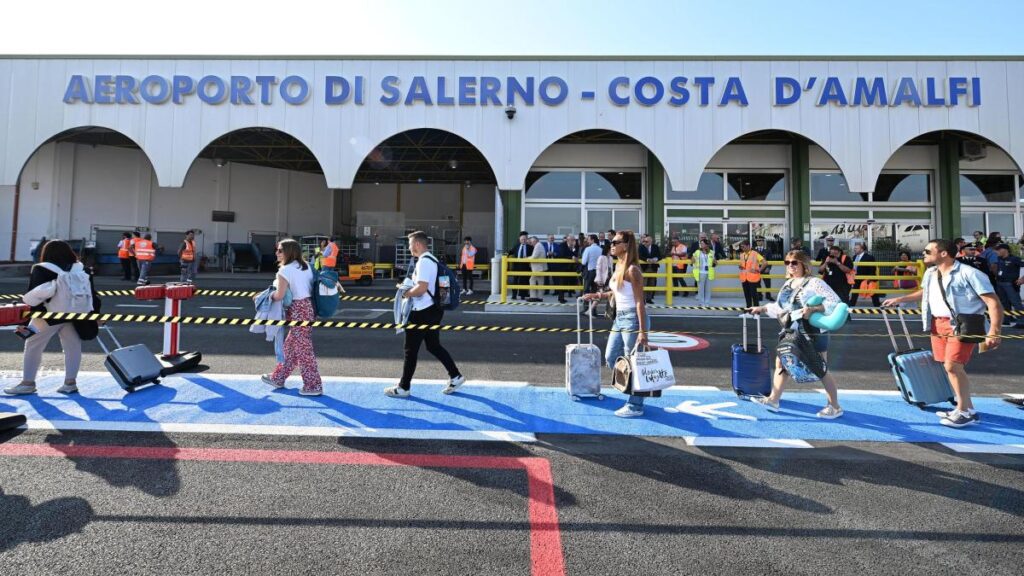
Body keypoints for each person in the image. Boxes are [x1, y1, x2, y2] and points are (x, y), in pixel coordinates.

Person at [884, 239, 1003, 428]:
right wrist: (900, 298)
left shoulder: (970, 273)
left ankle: (964, 412)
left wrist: (994, 331)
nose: (923, 254)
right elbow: (926, 293)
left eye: (927, 251)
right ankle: (967, 408)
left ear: (943, 253)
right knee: (947, 366)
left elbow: (993, 303)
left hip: (963, 324)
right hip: (937, 323)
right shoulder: (931, 273)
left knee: (953, 366)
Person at [748, 250, 845, 419]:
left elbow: (835, 303)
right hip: (792, 330)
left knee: (820, 368)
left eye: (794, 262)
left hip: (813, 332)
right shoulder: (788, 284)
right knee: (782, 363)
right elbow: (781, 307)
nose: (790, 266)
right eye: (787, 262)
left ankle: (834, 406)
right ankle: (773, 399)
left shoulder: (815, 283)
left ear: (804, 264)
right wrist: (762, 308)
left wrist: (814, 309)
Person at [4, 240, 97, 396]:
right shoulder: (82, 269)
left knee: (33, 345)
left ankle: (28, 383)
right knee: (73, 347)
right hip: (75, 314)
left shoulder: (42, 269)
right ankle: (70, 383)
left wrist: (30, 321)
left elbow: (35, 296)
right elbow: (92, 294)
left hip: (48, 316)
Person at [385, 231, 465, 398]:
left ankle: (403, 387)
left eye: (409, 245)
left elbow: (421, 288)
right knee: (433, 345)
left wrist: (405, 293)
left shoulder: (423, 262)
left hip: (422, 312)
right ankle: (455, 376)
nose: (408, 248)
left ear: (417, 244)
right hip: (434, 310)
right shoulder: (433, 259)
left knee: (410, 350)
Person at [583, 231, 654, 418]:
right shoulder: (619, 266)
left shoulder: (633, 270)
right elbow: (616, 293)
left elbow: (640, 302)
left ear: (627, 245)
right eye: (611, 242)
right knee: (610, 356)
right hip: (619, 317)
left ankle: (636, 405)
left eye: (615, 242)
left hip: (632, 318)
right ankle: (629, 389)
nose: (611, 245)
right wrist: (598, 295)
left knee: (634, 363)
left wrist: (642, 331)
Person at [260, 239, 322, 396]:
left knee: (303, 350)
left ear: (288, 252)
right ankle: (278, 377)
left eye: (280, 250)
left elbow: (279, 295)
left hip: (297, 310)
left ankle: (313, 385)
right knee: (290, 347)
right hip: (308, 307)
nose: (277, 253)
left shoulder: (285, 271)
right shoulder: (306, 266)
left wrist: (264, 296)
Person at [994, 243, 1024, 329]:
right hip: (1000, 283)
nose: (997, 252)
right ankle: (1006, 320)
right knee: (1003, 303)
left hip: (1010, 284)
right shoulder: (999, 259)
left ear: (1005, 250)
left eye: (999, 250)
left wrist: (1022, 279)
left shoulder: (1014, 259)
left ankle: (1021, 321)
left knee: (1016, 303)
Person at [849, 242, 882, 308]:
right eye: (854, 248)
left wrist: (870, 278)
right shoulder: (854, 257)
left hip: (866, 277)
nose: (854, 249)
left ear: (861, 249)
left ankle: (877, 305)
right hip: (857, 277)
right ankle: (851, 305)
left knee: (872, 292)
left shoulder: (869, 257)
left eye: (856, 248)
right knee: (855, 292)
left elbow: (872, 268)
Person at [738, 239, 765, 308]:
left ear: (748, 246)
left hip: (753, 278)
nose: (742, 248)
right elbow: (743, 265)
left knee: (754, 295)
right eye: (741, 247)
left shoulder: (755, 253)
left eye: (743, 247)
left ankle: (756, 312)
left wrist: (759, 270)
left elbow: (765, 262)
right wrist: (740, 267)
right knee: (747, 295)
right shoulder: (742, 255)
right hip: (744, 278)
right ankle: (748, 310)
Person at [692, 238, 716, 306]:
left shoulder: (711, 252)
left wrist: (714, 262)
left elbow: (715, 262)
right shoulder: (697, 252)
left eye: (702, 244)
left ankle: (707, 302)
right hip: (700, 272)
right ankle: (701, 302)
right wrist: (693, 258)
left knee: (708, 289)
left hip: (709, 272)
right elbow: (692, 260)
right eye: (700, 244)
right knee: (701, 288)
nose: (701, 245)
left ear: (706, 245)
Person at [638, 234, 661, 305]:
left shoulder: (655, 247)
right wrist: (646, 259)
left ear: (651, 241)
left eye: (647, 241)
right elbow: (639, 256)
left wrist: (656, 259)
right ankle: (643, 299)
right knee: (644, 283)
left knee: (651, 283)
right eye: (644, 241)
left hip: (653, 267)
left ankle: (649, 298)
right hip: (644, 267)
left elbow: (660, 255)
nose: (645, 242)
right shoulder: (641, 247)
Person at [593, 240, 613, 317]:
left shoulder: (610, 258)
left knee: (610, 296)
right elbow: (598, 269)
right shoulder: (601, 257)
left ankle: (608, 312)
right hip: (602, 280)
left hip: (609, 280)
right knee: (600, 296)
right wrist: (599, 280)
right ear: (608, 249)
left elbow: (611, 270)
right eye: (611, 249)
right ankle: (591, 310)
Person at [580, 234, 602, 300]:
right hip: (598, 272)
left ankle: (586, 307)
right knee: (594, 290)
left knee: (586, 290)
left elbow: (583, 262)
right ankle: (593, 308)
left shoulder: (588, 249)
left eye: (589, 239)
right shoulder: (600, 249)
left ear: (592, 240)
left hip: (589, 271)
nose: (587, 241)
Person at [509, 231, 530, 300]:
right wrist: (506, 254)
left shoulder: (530, 247)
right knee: (515, 281)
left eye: (525, 239)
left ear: (526, 239)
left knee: (523, 281)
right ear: (519, 239)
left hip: (525, 266)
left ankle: (522, 295)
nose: (523, 240)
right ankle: (514, 295)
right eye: (522, 239)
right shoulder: (516, 246)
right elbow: (510, 252)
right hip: (516, 266)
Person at [755, 236, 776, 302]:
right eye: (758, 241)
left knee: (767, 283)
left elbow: (770, 260)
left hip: (765, 269)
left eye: (760, 240)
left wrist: (769, 268)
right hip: (757, 269)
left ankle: (768, 296)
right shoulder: (753, 250)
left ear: (763, 241)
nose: (759, 242)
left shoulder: (767, 249)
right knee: (757, 283)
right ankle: (759, 296)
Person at [528, 236, 546, 302]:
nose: (532, 243)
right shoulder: (540, 245)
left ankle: (533, 297)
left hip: (537, 268)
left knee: (532, 280)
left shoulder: (538, 246)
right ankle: (540, 297)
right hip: (540, 267)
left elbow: (534, 257)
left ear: (536, 241)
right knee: (540, 282)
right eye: (531, 242)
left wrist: (527, 258)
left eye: (533, 242)